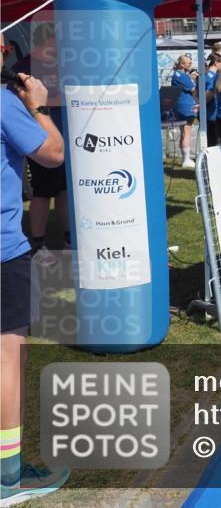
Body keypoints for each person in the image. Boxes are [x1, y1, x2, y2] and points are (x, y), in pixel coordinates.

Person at [1, 47, 71, 504]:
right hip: (2, 250)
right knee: (7, 357)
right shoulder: (6, 102)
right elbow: (54, 153)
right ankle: (7, 478)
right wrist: (39, 107)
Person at [11, 24, 69, 262]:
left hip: (65, 138)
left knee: (64, 190)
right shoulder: (23, 68)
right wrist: (50, 101)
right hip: (39, 141)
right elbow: (20, 100)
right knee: (43, 193)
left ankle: (68, 240)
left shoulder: (64, 63)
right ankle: (38, 244)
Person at [171, 54, 198, 167]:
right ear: (182, 64)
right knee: (186, 132)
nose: (191, 64)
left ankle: (185, 159)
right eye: (189, 63)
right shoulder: (182, 76)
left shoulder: (178, 75)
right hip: (186, 106)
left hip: (180, 105)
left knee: (184, 132)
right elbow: (194, 90)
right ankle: (186, 160)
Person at [203, 53, 221, 147]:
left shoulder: (207, 74)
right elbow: (209, 93)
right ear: (215, 63)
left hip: (211, 113)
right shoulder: (212, 76)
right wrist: (202, 105)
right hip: (212, 113)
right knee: (214, 142)